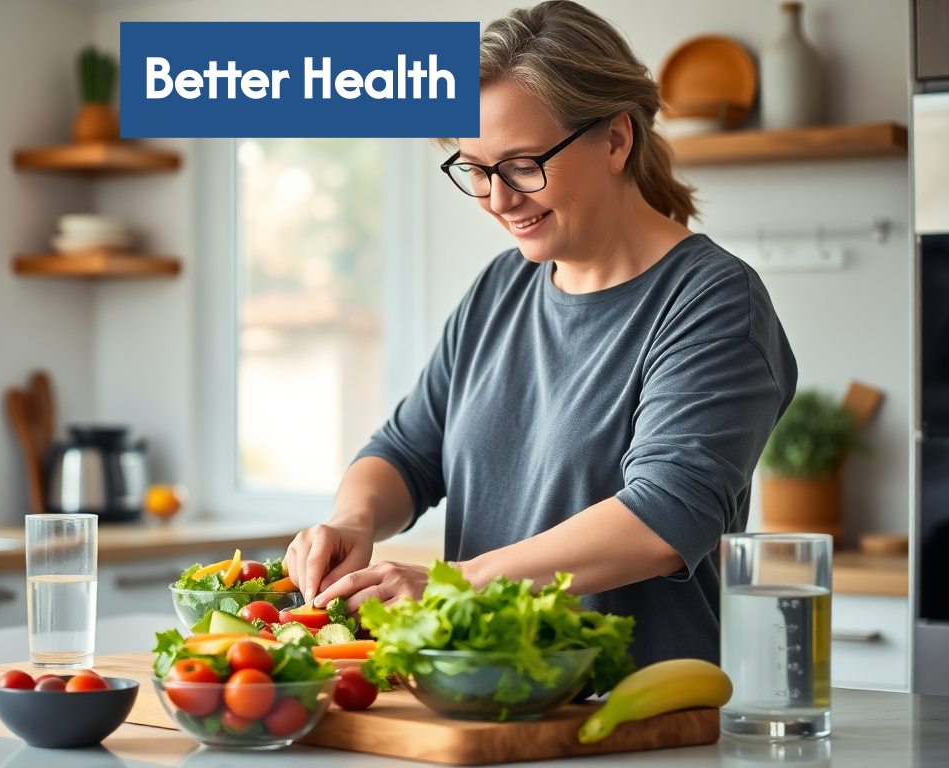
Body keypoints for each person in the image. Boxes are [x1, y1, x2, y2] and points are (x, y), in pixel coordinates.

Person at [283, 1, 797, 666]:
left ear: (615, 140)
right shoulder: (500, 290)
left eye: (523, 165)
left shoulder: (712, 300)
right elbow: (408, 452)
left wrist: (450, 586)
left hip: (638, 720)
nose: (497, 198)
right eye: (475, 168)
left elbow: (666, 517)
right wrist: (351, 521)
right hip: (487, 701)